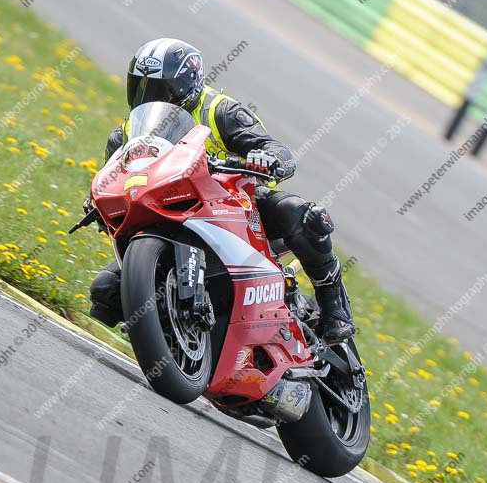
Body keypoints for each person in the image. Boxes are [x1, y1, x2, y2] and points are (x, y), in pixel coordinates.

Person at [90, 38, 355, 344]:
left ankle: (335, 307)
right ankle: (168, 340)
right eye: (141, 87)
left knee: (301, 214)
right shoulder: (125, 135)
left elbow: (273, 148)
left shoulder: (220, 110)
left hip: (234, 205)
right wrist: (99, 202)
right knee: (105, 292)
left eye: (161, 89)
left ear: (187, 85)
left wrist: (269, 159)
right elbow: (115, 180)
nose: (149, 97)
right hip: (166, 214)